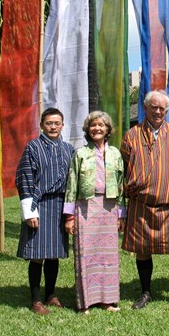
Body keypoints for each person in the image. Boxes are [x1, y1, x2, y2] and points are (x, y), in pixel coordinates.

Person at [120, 90, 169, 312]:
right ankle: (145, 292)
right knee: (142, 249)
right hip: (141, 204)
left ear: (167, 111)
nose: (158, 111)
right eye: (154, 107)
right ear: (145, 108)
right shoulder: (131, 135)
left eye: (162, 108)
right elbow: (124, 166)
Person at [63, 111, 125, 314]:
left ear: (108, 129)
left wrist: (121, 215)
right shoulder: (80, 154)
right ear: (88, 130)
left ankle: (107, 300)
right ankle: (85, 302)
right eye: (93, 125)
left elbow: (122, 185)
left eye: (101, 125)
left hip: (109, 207)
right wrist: (70, 216)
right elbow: (72, 185)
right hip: (85, 207)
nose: (97, 128)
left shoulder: (115, 153)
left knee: (108, 256)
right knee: (86, 254)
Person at [16, 107, 74, 315]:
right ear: (42, 125)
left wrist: (71, 212)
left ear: (62, 125)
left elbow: (74, 182)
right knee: (37, 255)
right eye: (49, 123)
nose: (53, 127)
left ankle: (50, 294)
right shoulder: (33, 148)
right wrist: (30, 212)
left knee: (54, 255)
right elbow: (25, 178)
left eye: (57, 123)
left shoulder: (69, 150)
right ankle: (35, 300)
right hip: (39, 205)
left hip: (60, 206)